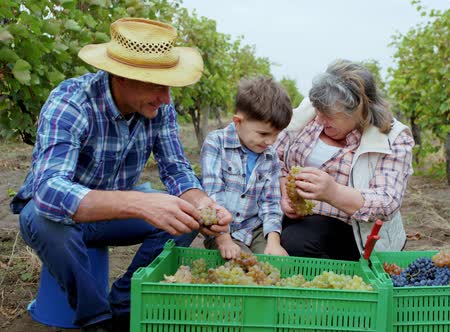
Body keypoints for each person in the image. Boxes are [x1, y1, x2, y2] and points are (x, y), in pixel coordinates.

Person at [9, 18, 232, 332]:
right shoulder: (72, 103)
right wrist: (139, 204)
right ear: (123, 77)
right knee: (47, 222)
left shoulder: (158, 108)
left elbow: (177, 169)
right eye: (157, 85)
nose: (167, 98)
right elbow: (49, 192)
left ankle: (124, 304)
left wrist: (204, 203)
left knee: (186, 216)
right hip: (56, 217)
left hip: (110, 217)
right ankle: (97, 319)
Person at [275, 59, 415, 261]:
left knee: (298, 240)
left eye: (329, 116)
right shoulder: (311, 114)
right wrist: (284, 191)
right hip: (292, 219)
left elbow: (387, 201)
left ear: (359, 110)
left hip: (352, 232)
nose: (320, 120)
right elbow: (274, 155)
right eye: (319, 111)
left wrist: (333, 192)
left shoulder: (393, 138)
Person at [200, 76, 293, 259]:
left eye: (276, 135)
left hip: (254, 229)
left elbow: (271, 202)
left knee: (275, 264)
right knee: (244, 266)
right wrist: (223, 239)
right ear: (238, 121)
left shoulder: (270, 156)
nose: (270, 141)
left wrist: (274, 242)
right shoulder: (216, 143)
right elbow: (213, 194)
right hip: (222, 230)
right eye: (264, 134)